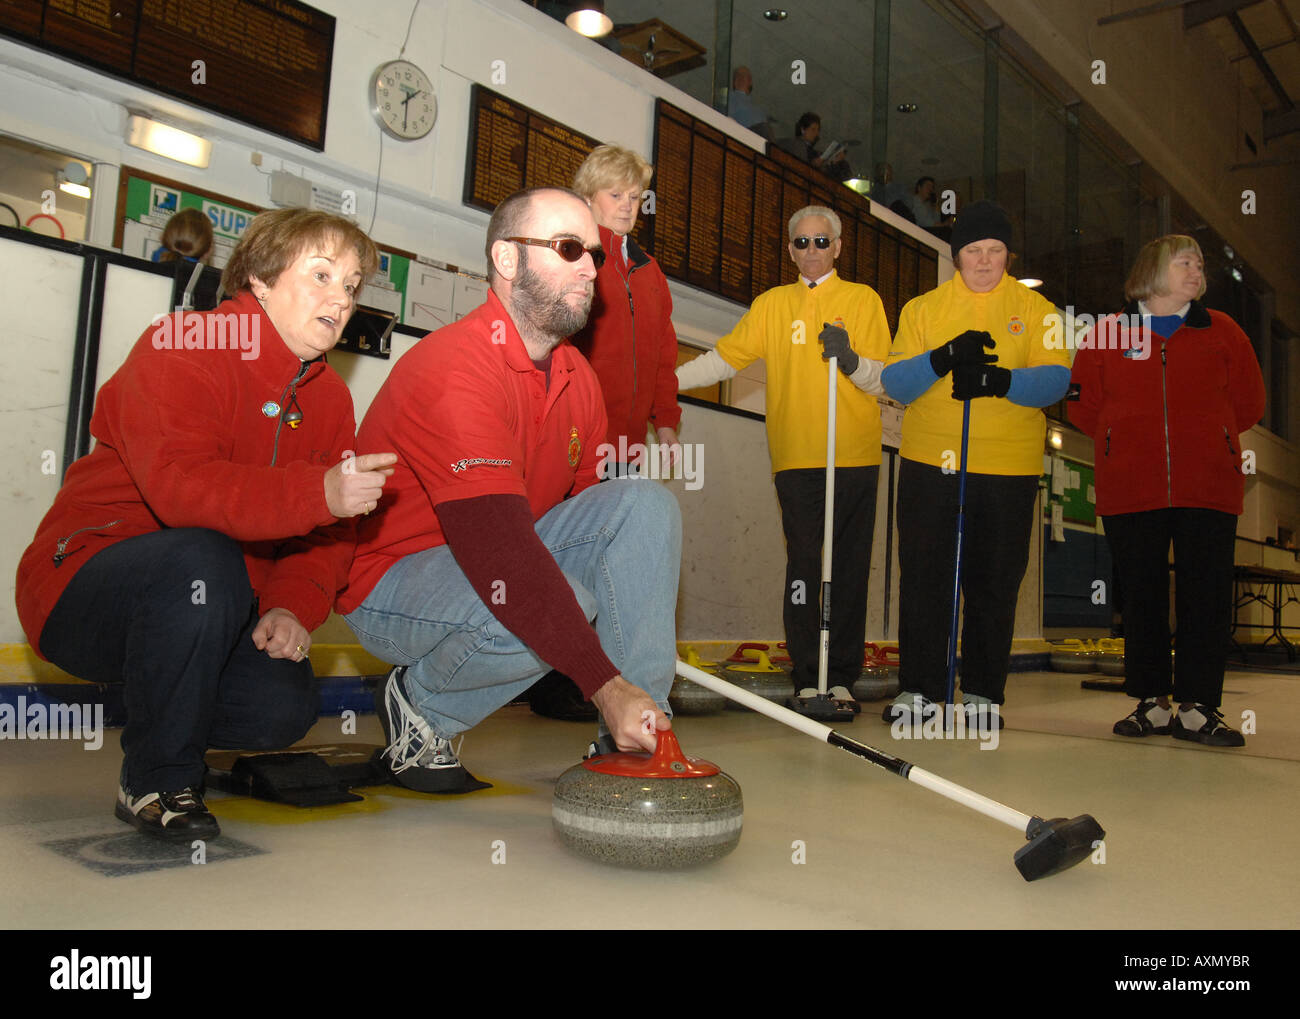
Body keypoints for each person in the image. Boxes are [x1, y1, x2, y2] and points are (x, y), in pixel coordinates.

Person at [16, 209, 395, 840]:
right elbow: (182, 489)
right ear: (261, 280)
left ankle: (167, 712)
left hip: (209, 603)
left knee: (282, 707)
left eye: (352, 287)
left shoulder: (330, 399)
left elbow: (327, 533)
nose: (341, 299)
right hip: (83, 582)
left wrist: (291, 607)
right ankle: (157, 777)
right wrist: (319, 490)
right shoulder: (183, 344)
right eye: (322, 274)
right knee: (201, 554)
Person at [338, 186, 680, 792]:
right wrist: (603, 683)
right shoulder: (455, 366)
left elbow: (591, 530)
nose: (589, 270)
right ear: (506, 259)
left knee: (644, 504)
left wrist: (624, 675)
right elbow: (502, 554)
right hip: (394, 581)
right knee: (562, 604)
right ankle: (420, 706)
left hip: (501, 559)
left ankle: (644, 734)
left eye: (594, 256)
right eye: (568, 248)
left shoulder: (580, 381)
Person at [676, 205, 890, 708]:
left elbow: (884, 379)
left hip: (853, 454)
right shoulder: (772, 304)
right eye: (801, 242)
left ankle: (840, 676)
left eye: (821, 242)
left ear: (837, 247)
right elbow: (725, 358)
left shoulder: (863, 300)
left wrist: (852, 361)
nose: (811, 250)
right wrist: (669, 380)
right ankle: (806, 673)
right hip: (796, 457)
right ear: (789, 249)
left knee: (849, 566)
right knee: (804, 565)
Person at [1069, 235, 1265, 746]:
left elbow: (1249, 404)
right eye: (1185, 262)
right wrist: (1123, 440)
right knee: (1141, 597)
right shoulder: (1107, 334)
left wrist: (1210, 438)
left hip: (1209, 487)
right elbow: (1083, 407)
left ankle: (1199, 707)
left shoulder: (1224, 331)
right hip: (1131, 486)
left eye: (1199, 264)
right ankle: (1151, 702)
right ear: (1153, 271)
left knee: (1206, 596)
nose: (1196, 271)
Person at [880, 200, 1070, 731]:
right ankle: (919, 688)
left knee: (994, 581)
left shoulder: (1040, 311)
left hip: (1007, 467)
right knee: (925, 576)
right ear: (956, 256)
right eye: (973, 251)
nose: (984, 261)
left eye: (995, 251)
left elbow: (1056, 379)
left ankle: (983, 691)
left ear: (1008, 255)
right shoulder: (923, 309)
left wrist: (999, 380)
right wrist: (943, 358)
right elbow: (896, 383)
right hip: (930, 463)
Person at [515, 145, 684, 723]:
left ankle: (613, 686)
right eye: (617, 195)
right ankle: (555, 681)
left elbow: (663, 352)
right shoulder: (579, 259)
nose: (629, 206)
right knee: (566, 561)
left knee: (618, 563)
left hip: (628, 445)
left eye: (637, 197)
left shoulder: (650, 271)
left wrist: (668, 421)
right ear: (588, 199)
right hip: (577, 438)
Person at [775, 113, 852, 181]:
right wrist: (812, 164)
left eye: (818, 130)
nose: (816, 133)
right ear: (803, 129)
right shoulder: (794, 144)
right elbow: (798, 167)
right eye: (813, 129)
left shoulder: (814, 152)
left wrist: (835, 161)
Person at [727, 65, 771, 137]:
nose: (740, 78)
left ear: (750, 81)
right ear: (734, 82)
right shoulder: (728, 98)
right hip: (740, 136)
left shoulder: (760, 109)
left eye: (744, 76)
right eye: (737, 76)